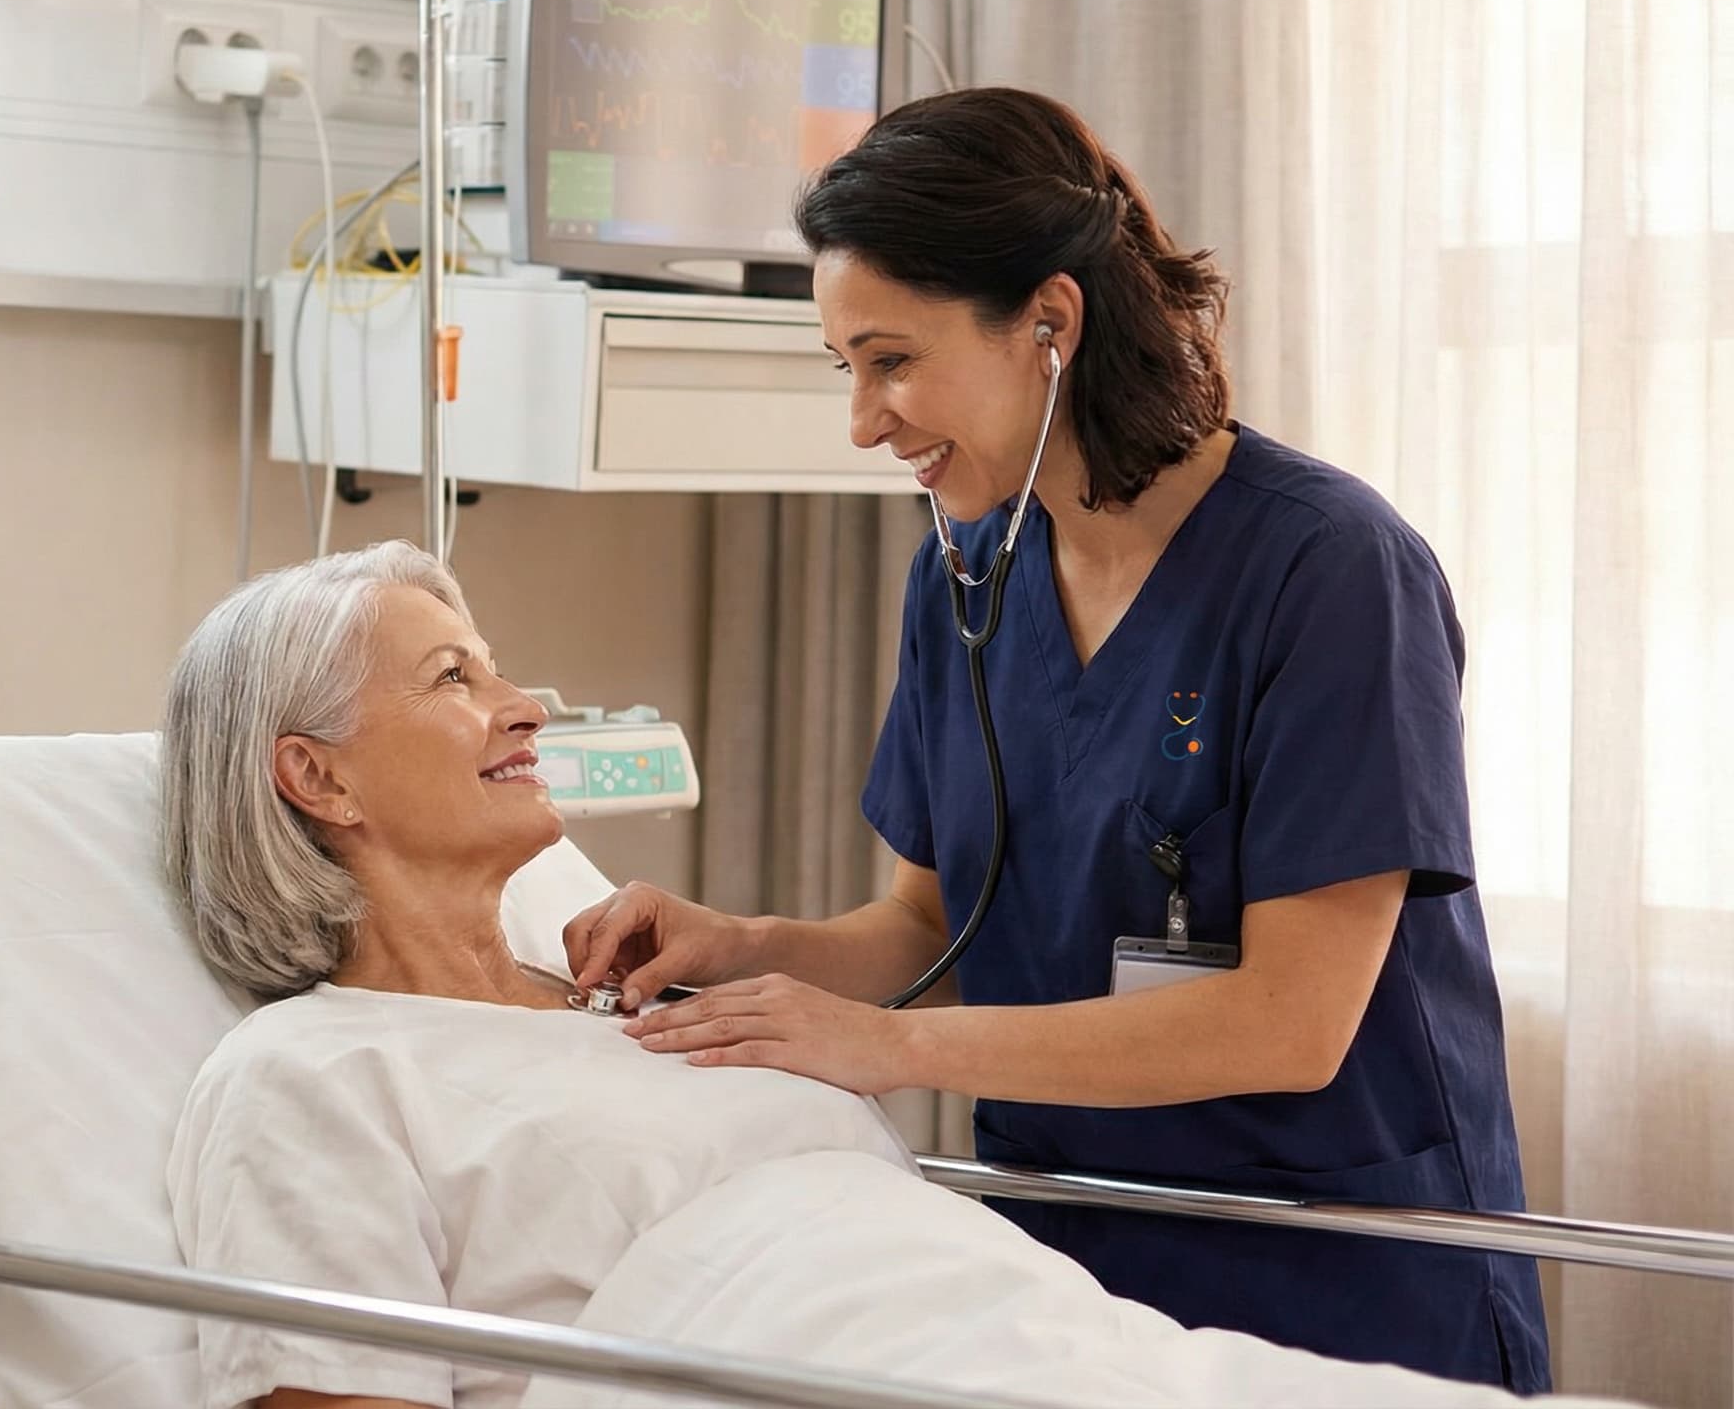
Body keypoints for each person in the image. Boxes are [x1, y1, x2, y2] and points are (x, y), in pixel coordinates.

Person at [564, 87, 1546, 1391]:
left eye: (892, 360)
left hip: (1334, 1274)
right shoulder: (963, 574)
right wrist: (740, 947)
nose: (863, 422)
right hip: (1055, 1280)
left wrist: (892, 1052)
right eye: (843, 368)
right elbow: (934, 933)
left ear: (1050, 324)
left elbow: (1292, 1024)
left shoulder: (1331, 574)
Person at [157, 543, 1584, 1409]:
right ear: (314, 775)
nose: (524, 704)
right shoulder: (305, 1076)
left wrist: (765, 960)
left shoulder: (649, 1014)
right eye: (454, 677)